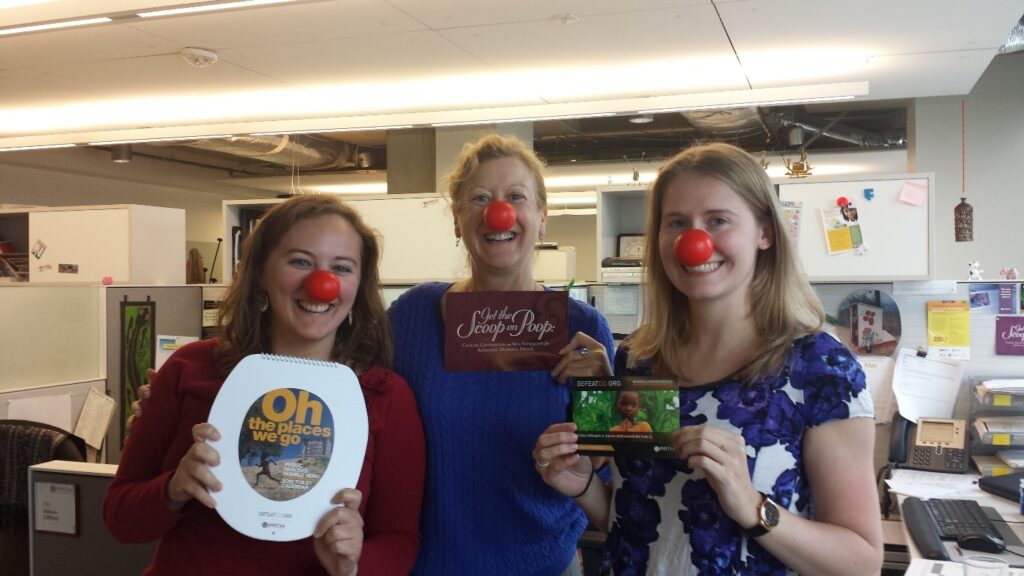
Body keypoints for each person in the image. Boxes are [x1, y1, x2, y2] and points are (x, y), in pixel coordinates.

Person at [533, 143, 882, 575]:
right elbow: (637, 526)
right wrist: (583, 485)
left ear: (765, 233)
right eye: (676, 222)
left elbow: (861, 562)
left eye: (717, 220)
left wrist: (752, 506)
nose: (693, 243)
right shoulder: (637, 358)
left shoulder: (821, 368)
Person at [104, 194, 426, 576]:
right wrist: (174, 487)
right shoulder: (189, 368)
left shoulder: (385, 395)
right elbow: (119, 518)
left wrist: (355, 564)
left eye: (341, 268)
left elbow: (399, 540)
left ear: (359, 285)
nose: (322, 284)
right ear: (261, 272)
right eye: (300, 261)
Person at [388, 133, 615, 575]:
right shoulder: (411, 315)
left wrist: (601, 392)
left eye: (515, 196)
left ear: (542, 216)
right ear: (457, 220)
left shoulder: (584, 327)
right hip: (428, 565)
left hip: (544, 564)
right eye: (479, 198)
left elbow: (600, 469)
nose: (499, 211)